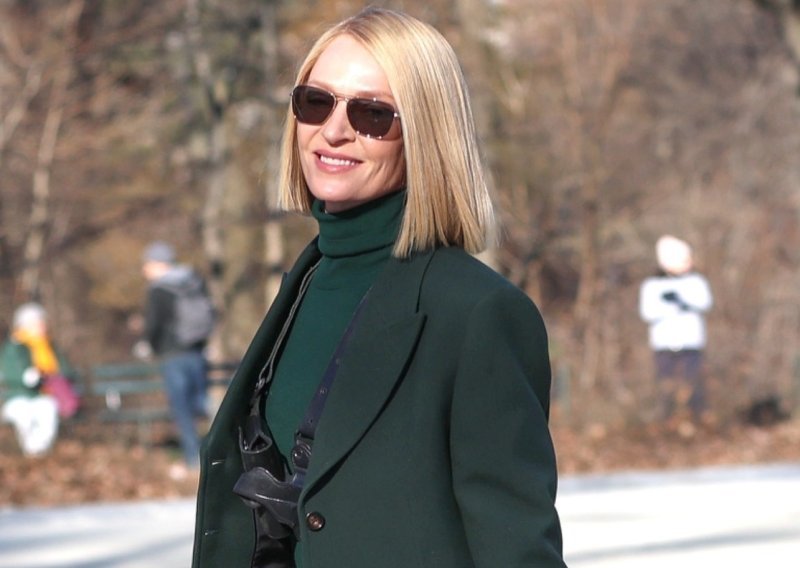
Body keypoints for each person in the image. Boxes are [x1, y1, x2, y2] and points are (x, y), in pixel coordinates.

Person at [192, 8, 566, 568]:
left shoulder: (477, 312)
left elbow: (516, 547)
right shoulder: (308, 281)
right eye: (315, 102)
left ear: (426, 135)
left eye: (372, 114)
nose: (333, 130)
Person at [141, 240, 213, 476]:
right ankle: (217, 454)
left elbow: (154, 324)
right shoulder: (192, 280)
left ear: (159, 263)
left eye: (147, 263)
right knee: (202, 404)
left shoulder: (159, 289)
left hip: (172, 353)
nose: (144, 269)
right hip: (197, 350)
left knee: (182, 409)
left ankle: (193, 459)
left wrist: (149, 346)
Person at [639, 234, 713, 422]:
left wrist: (682, 302)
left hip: (691, 342)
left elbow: (704, 303)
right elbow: (647, 312)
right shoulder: (653, 285)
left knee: (692, 383)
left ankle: (696, 418)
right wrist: (670, 306)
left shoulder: (696, 282)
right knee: (666, 385)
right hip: (663, 343)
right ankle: (666, 420)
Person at [0, 302, 80, 456]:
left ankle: (39, 453)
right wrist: (28, 376)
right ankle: (31, 454)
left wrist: (54, 377)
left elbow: (65, 369)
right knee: (24, 415)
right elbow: (12, 372)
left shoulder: (50, 346)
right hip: (18, 396)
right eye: (37, 323)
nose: (42, 326)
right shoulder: (14, 347)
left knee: (48, 412)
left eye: (42, 322)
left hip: (46, 395)